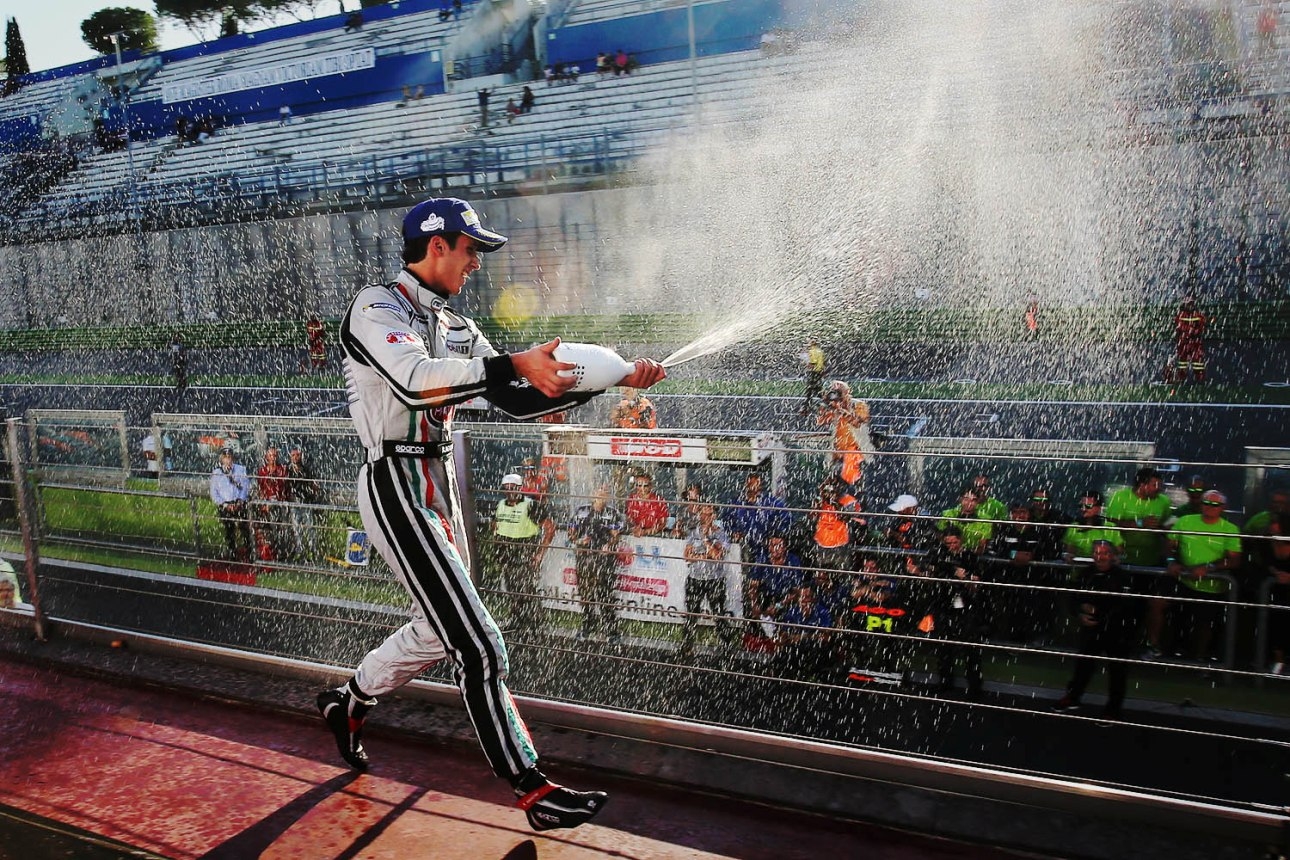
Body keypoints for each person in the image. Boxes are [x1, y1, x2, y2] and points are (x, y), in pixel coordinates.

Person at [316, 197, 664, 831]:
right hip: (394, 484)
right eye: (471, 248)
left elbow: (518, 398)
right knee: (478, 644)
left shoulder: (453, 326)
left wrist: (609, 381)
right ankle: (531, 788)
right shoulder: (374, 306)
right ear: (437, 245)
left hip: (439, 487)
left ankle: (349, 700)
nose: (477, 262)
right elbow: (414, 381)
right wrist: (512, 363)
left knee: (435, 632)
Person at [1052, 541, 1146, 719]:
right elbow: (1074, 599)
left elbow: (1127, 606)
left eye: (1104, 553)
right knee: (1083, 665)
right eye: (1096, 552)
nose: (1099, 556)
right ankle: (1073, 697)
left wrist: (1099, 612)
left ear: (1112, 556)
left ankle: (1113, 707)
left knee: (1117, 670)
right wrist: (1080, 613)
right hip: (1091, 628)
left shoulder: (1123, 577)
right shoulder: (1085, 573)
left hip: (1118, 631)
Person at [1165, 489, 1241, 662]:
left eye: (1215, 504)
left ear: (1223, 507)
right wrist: (1171, 561)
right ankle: (1157, 650)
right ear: (1201, 504)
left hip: (1211, 586)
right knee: (1159, 604)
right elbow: (1169, 545)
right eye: (1207, 503)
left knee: (1205, 624)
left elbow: (1235, 560)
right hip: (1182, 580)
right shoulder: (1185, 521)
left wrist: (1209, 567)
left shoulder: (1230, 529)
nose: (1210, 507)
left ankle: (1199, 659)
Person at [491, 473, 554, 638]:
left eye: (513, 488)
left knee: (527, 591)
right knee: (512, 590)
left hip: (525, 553)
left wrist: (540, 554)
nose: (510, 492)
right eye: (507, 488)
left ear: (520, 489)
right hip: (507, 554)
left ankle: (535, 626)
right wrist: (498, 547)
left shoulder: (531, 506)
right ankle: (517, 621)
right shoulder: (500, 505)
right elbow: (495, 526)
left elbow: (549, 528)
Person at [569, 483, 626, 643]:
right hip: (584, 558)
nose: (602, 495)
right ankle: (587, 625)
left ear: (608, 496)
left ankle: (612, 631)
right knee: (586, 595)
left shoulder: (613, 513)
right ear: (593, 493)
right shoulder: (582, 510)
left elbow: (616, 535)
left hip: (604, 560)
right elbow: (571, 532)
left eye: (605, 492)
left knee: (605, 595)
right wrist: (579, 541)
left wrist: (609, 545)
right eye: (599, 491)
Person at [680, 503, 732, 659]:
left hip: (714, 580)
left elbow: (717, 556)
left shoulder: (721, 534)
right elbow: (687, 557)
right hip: (695, 578)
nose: (704, 517)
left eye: (708, 514)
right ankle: (687, 647)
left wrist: (705, 539)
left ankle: (727, 646)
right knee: (691, 614)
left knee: (719, 614)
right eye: (702, 514)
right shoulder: (692, 532)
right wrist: (705, 556)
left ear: (714, 516)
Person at [817, 380, 872, 495]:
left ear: (847, 392)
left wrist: (840, 410)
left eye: (839, 392)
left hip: (856, 455)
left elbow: (857, 423)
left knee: (854, 490)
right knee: (834, 489)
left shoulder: (859, 405)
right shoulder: (833, 406)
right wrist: (825, 406)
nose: (836, 395)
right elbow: (821, 422)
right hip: (838, 454)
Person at [724, 471, 790, 563]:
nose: (754, 487)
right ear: (746, 484)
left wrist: (775, 537)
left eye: (757, 483)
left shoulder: (771, 503)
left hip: (766, 548)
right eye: (751, 483)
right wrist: (733, 533)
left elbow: (786, 520)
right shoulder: (736, 503)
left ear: (761, 485)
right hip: (743, 547)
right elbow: (726, 522)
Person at [210, 448, 252, 561]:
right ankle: (232, 553)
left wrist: (240, 501)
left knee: (244, 529)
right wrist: (224, 504)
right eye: (225, 457)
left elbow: (246, 487)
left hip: (239, 503)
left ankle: (249, 552)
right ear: (221, 459)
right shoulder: (217, 473)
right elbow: (214, 493)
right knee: (229, 530)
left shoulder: (240, 469)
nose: (228, 459)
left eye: (229, 457)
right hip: (225, 505)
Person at [252, 446, 291, 561]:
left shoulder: (282, 470)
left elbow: (283, 489)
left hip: (279, 505)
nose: (273, 458)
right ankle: (267, 553)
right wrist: (264, 502)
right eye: (270, 455)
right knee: (267, 529)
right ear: (266, 457)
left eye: (274, 455)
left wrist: (274, 502)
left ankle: (280, 554)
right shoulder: (262, 471)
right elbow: (261, 489)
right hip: (266, 505)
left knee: (280, 530)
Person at [286, 446, 322, 560]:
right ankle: (299, 551)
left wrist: (313, 491)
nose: (295, 457)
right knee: (297, 529)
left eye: (297, 455)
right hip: (294, 503)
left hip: (305, 502)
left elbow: (313, 485)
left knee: (310, 527)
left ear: (301, 456)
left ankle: (313, 550)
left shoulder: (306, 469)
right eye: (293, 455)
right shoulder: (287, 471)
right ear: (290, 457)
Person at [1166, 296, 1207, 385]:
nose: (1190, 306)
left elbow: (1202, 325)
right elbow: (1179, 326)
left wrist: (1194, 331)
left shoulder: (1197, 314)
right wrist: (1188, 332)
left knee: (1197, 362)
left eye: (1191, 304)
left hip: (1194, 342)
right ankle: (1181, 378)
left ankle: (1200, 379)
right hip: (1184, 342)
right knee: (1183, 362)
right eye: (1188, 304)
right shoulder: (1181, 315)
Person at [624, 471, 668, 537]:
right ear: (636, 486)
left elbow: (662, 524)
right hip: (634, 534)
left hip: (654, 536)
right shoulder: (631, 499)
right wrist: (634, 528)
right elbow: (628, 518)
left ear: (650, 486)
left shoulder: (659, 501)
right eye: (639, 485)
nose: (642, 488)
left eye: (645, 485)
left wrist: (646, 531)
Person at [799, 338, 826, 416]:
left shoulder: (812, 351)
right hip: (819, 372)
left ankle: (805, 408)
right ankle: (827, 402)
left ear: (811, 344)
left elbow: (813, 362)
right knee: (816, 390)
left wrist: (807, 365)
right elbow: (822, 362)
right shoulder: (820, 351)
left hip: (813, 372)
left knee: (809, 391)